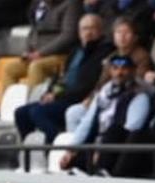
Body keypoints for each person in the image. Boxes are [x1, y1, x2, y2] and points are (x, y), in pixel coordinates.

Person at [13, 13, 111, 142]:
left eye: (92, 28)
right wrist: (51, 92)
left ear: (101, 31)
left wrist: (57, 96)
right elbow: (62, 78)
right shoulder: (76, 51)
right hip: (62, 97)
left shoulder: (104, 52)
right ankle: (29, 150)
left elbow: (87, 85)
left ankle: (60, 142)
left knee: (38, 112)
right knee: (21, 112)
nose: (88, 32)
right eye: (84, 29)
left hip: (78, 100)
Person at [59, 54, 150, 176]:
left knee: (114, 130)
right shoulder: (103, 93)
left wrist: (102, 150)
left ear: (132, 71)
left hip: (117, 148)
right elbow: (87, 122)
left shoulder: (139, 95)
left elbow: (132, 129)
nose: (119, 73)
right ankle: (84, 167)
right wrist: (71, 149)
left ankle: (100, 170)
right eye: (115, 68)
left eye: (124, 69)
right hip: (99, 142)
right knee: (70, 161)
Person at [0, 0, 81, 91]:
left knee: (36, 66)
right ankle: (10, 103)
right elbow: (34, 30)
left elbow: (68, 36)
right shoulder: (37, 3)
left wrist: (41, 53)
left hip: (60, 55)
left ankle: (32, 103)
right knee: (9, 69)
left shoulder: (71, 3)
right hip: (36, 54)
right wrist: (28, 51)